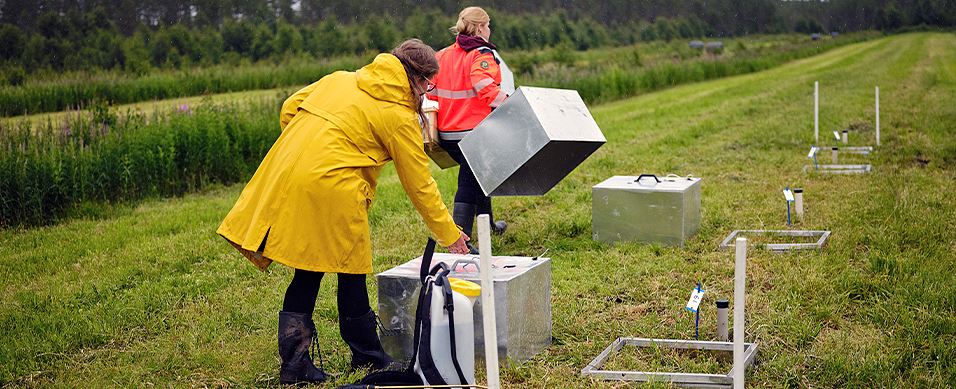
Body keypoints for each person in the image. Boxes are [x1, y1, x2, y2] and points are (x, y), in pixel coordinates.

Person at [217, 39, 470, 385]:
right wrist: (449, 234)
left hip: (288, 172)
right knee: (349, 267)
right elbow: (420, 185)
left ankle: (297, 364)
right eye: (428, 82)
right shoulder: (398, 116)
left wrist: (315, 146)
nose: (429, 90)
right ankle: (367, 355)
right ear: (414, 78)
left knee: (310, 268)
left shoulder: (339, 79)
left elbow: (290, 109)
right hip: (334, 186)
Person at [428, 6, 512, 253]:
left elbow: (430, 90)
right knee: (468, 182)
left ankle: (490, 225)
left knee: (479, 175)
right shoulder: (480, 53)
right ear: (478, 28)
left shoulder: (442, 55)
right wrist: (511, 102)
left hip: (446, 133)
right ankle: (460, 238)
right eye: (487, 25)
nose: (489, 30)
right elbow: (485, 86)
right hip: (472, 133)